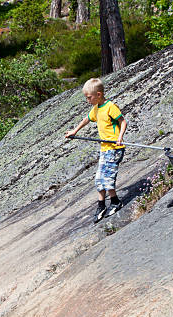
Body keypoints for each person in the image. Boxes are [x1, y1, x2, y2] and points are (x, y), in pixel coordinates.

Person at [65, 78, 127, 223]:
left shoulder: (110, 106)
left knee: (107, 178)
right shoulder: (97, 109)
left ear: (98, 94)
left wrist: (120, 137)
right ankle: (101, 205)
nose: (88, 101)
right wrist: (75, 131)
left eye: (89, 97)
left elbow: (122, 121)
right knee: (99, 178)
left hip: (115, 148)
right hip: (105, 149)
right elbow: (87, 119)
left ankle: (115, 202)